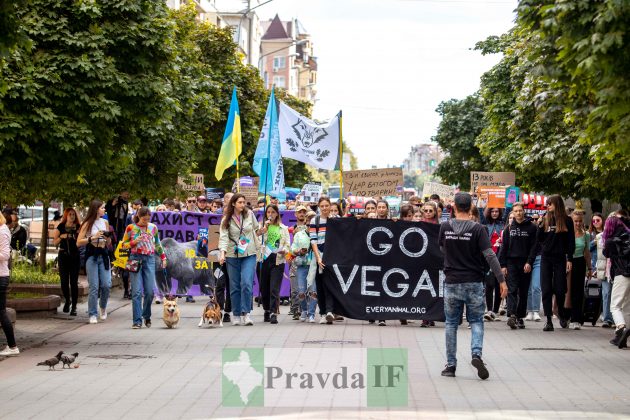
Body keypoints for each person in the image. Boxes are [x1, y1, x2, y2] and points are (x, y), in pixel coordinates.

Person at [440, 193, 507, 380]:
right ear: (470, 208)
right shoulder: (478, 229)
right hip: (474, 281)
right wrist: (501, 279)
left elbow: (441, 248)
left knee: (451, 323)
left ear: (453, 208)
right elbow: (490, 255)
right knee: (476, 321)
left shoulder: (445, 227)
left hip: (452, 281)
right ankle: (476, 354)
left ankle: (451, 365)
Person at [218, 193, 265, 326]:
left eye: (244, 202)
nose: (242, 205)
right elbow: (223, 237)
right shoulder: (226, 220)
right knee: (234, 286)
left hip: (249, 253)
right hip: (232, 254)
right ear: (233, 203)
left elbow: (256, 230)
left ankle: (247, 313)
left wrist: (263, 230)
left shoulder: (250, 214)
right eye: (240, 202)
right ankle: (236, 314)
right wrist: (222, 253)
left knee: (246, 283)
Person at [121, 207, 167, 329]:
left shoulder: (153, 227)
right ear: (138, 216)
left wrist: (163, 257)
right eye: (143, 219)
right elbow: (123, 245)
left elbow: (157, 243)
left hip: (149, 259)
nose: (146, 221)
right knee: (136, 292)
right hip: (135, 258)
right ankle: (137, 320)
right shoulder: (131, 228)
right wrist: (133, 242)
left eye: (148, 219)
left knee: (149, 291)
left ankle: (146, 315)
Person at [537, 195, 575, 331]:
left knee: (560, 289)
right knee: (546, 289)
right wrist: (540, 226)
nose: (547, 206)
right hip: (546, 257)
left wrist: (569, 258)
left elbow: (571, 242)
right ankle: (548, 320)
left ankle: (561, 314)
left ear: (557, 204)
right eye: (547, 204)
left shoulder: (567, 220)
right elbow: (539, 239)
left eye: (550, 204)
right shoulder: (546, 219)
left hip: (560, 257)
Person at [498, 202, 539, 330]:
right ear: (513, 213)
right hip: (511, 262)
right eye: (516, 211)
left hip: (525, 262)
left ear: (524, 211)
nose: (518, 213)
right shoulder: (508, 228)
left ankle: (520, 316)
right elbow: (504, 247)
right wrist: (503, 264)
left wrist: (529, 262)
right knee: (512, 289)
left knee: (523, 290)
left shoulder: (532, 228)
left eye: (520, 210)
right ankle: (512, 315)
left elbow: (534, 247)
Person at [77, 200, 113, 325]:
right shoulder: (87, 223)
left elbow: (108, 243)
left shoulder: (105, 222)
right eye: (103, 208)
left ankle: (103, 307)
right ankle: (92, 313)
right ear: (96, 209)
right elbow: (78, 242)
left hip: (103, 254)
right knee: (94, 286)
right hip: (92, 255)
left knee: (106, 284)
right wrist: (93, 237)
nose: (104, 210)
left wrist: (107, 238)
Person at [258, 205, 290, 324]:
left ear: (277, 214)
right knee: (264, 288)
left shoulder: (283, 228)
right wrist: (263, 229)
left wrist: (285, 250)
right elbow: (257, 240)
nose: (270, 214)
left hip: (278, 259)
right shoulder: (262, 226)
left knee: (274, 288)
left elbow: (287, 244)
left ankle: (273, 312)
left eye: (273, 212)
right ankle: (266, 309)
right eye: (268, 212)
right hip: (264, 259)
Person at [603, 216, 630, 348]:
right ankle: (624, 336)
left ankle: (621, 328)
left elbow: (606, 253)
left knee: (615, 305)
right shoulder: (628, 235)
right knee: (627, 306)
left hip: (622, 273)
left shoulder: (610, 241)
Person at [310, 196, 334, 325]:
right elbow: (313, 240)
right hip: (319, 257)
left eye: (326, 205)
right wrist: (318, 257)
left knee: (330, 285)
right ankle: (323, 313)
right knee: (319, 286)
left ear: (330, 206)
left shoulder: (336, 220)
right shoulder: (315, 220)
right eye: (322, 206)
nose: (325, 208)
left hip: (332, 257)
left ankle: (330, 311)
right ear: (319, 207)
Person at [53, 208, 82, 316]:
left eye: (73, 214)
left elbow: (81, 240)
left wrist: (77, 235)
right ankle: (67, 300)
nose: (72, 216)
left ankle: (74, 306)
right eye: (70, 214)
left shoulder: (78, 227)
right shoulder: (61, 227)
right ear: (66, 215)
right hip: (63, 256)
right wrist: (61, 236)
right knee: (64, 282)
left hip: (74, 257)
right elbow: (55, 242)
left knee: (74, 282)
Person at [566, 212, 592, 329]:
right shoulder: (566, 233)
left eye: (580, 221)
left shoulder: (586, 235)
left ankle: (576, 319)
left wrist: (590, 268)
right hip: (567, 263)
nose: (578, 223)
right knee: (566, 290)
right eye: (575, 221)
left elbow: (587, 252)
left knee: (577, 291)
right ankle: (565, 316)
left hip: (580, 263)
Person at [292, 209, 317, 323]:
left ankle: (311, 314)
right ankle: (304, 310)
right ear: (306, 221)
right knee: (301, 291)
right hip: (301, 265)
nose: (310, 223)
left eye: (313, 220)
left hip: (314, 266)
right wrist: (298, 251)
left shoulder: (318, 234)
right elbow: (292, 248)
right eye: (309, 220)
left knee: (313, 291)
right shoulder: (299, 234)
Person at [0, 212, 19, 356]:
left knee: (2, 312)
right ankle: (12, 346)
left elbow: (5, 255)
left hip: (0, 276)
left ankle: (12, 347)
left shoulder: (2, 232)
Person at [483, 207, 504, 322]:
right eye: (492, 211)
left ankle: (495, 311)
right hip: (489, 258)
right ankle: (489, 310)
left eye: (497, 211)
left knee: (498, 284)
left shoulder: (503, 225)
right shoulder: (486, 225)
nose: (495, 213)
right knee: (489, 284)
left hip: (500, 258)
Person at [288, 205, 309, 320]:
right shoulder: (291, 228)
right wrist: (289, 258)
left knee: (305, 287)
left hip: (307, 261)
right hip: (295, 260)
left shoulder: (309, 228)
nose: (301, 214)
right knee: (295, 288)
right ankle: (295, 309)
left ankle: (305, 309)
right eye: (299, 212)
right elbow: (289, 245)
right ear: (295, 214)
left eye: (303, 212)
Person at [595, 224, 614, 328]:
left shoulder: (620, 236)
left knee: (615, 294)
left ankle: (615, 318)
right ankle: (607, 319)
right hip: (605, 268)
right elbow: (598, 255)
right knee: (606, 293)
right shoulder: (600, 237)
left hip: (616, 269)